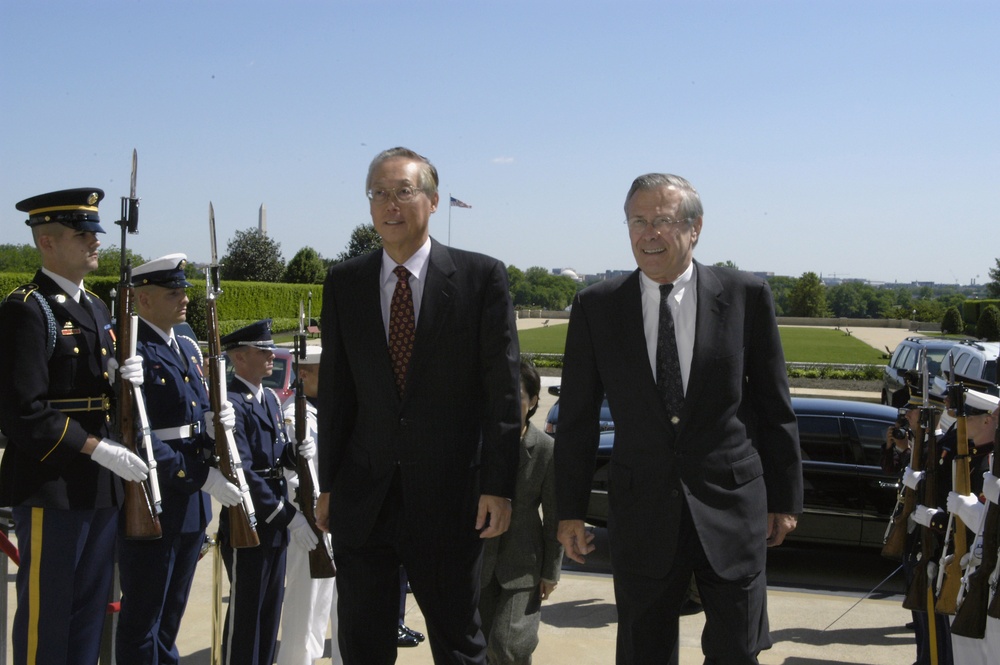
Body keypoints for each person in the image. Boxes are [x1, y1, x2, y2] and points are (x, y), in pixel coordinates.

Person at [555, 173, 803, 664]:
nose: (648, 234)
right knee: (644, 651)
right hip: (642, 511)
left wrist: (785, 498)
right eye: (637, 221)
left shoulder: (746, 296)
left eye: (663, 221)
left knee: (736, 652)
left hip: (732, 510)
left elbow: (775, 408)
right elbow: (578, 420)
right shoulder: (596, 306)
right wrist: (569, 511)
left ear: (695, 228)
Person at [316, 146, 521, 665]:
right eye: (378, 193)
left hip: (452, 499)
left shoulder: (481, 280)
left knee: (458, 642)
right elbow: (338, 395)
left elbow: (501, 395)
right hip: (366, 497)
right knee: (362, 643)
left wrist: (498, 486)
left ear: (430, 201)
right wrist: (329, 487)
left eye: (403, 191)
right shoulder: (345, 283)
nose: (390, 204)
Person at [0, 188, 148, 664]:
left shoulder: (99, 309)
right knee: (49, 617)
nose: (95, 242)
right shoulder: (27, 308)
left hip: (98, 488)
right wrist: (95, 449)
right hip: (52, 487)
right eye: (83, 234)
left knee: (88, 615)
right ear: (47, 242)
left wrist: (129, 384)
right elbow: (23, 412)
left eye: (94, 234)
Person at [116, 253, 242, 663]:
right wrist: (202, 476)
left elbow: (191, 414)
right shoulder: (134, 350)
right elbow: (136, 435)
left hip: (190, 504)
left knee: (171, 614)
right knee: (144, 618)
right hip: (157, 495)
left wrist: (214, 421)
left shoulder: (184, 346)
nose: (184, 299)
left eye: (184, 291)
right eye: (173, 293)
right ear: (144, 300)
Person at [220, 319, 318, 665]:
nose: (271, 357)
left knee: (268, 614)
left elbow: (275, 459)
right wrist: (289, 517)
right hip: (248, 521)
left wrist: (295, 453)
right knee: (246, 619)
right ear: (239, 358)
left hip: (272, 524)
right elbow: (242, 471)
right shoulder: (233, 402)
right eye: (263, 351)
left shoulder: (271, 401)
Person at [904, 385, 999, 665]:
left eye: (968, 417)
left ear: (987, 421)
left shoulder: (985, 464)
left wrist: (938, 519)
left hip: (976, 567)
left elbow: (983, 527)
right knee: (949, 646)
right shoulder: (970, 457)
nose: (960, 422)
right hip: (960, 566)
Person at [479, 359, 563, 664]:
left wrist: (551, 572)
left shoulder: (545, 449)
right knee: (482, 647)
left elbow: (554, 515)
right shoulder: (477, 443)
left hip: (523, 566)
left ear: (533, 402)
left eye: (517, 398)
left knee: (508, 646)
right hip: (479, 564)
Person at [277, 344, 339, 665]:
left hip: (331, 524)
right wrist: (304, 520)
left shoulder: (326, 409)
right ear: (303, 374)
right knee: (304, 613)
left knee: (331, 607)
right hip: (308, 526)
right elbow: (292, 478)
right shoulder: (293, 416)